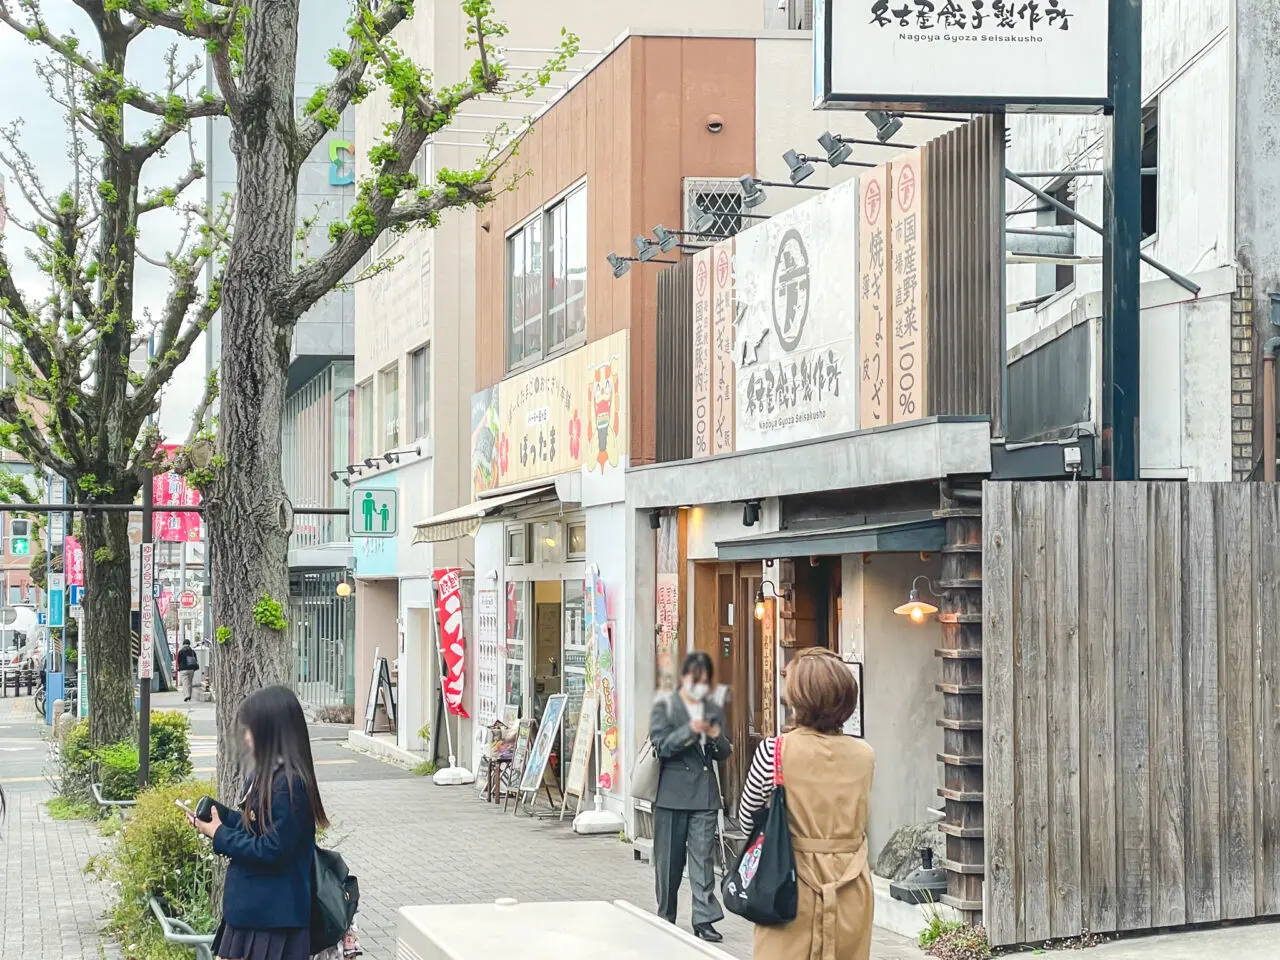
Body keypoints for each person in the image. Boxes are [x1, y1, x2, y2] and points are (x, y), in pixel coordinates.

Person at [737, 647, 874, 960]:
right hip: (851, 885)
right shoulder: (865, 755)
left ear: (798, 698)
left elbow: (747, 820)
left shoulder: (774, 751)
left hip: (789, 884)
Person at [189, 685, 327, 960]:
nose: (246, 736)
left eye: (251, 729)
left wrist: (220, 835)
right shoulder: (265, 775)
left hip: (273, 919)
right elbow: (255, 829)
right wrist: (218, 822)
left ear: (270, 732)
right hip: (255, 912)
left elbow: (273, 848)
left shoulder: (289, 783)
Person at [649, 651, 732, 943]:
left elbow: (725, 751)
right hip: (671, 795)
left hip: (704, 795)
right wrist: (689, 731)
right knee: (669, 862)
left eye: (705, 681)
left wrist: (714, 736)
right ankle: (666, 915)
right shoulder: (665, 706)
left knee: (703, 860)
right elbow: (661, 746)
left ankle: (704, 919)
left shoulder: (711, 708)